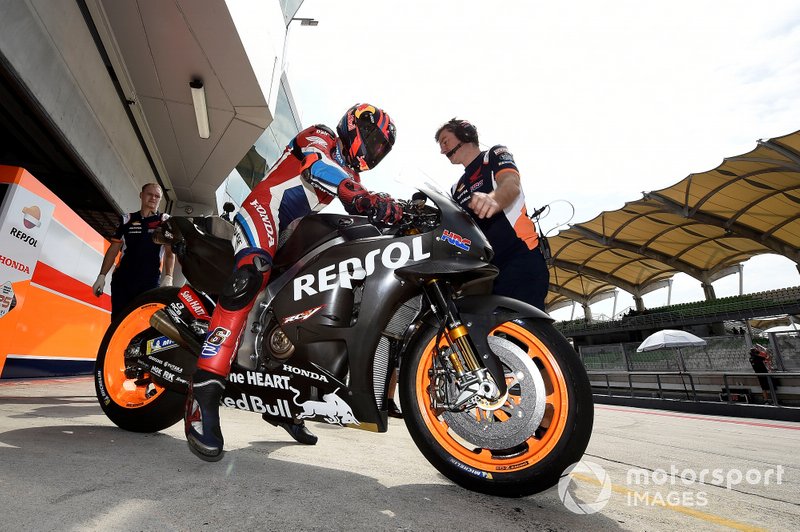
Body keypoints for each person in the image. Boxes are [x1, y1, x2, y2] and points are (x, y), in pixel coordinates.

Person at [185, 103, 402, 461]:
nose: (374, 150)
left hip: (291, 233)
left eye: (381, 148)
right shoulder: (321, 136)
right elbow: (318, 168)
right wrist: (362, 196)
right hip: (263, 211)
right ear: (354, 124)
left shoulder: (351, 176)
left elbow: (358, 204)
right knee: (253, 271)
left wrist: (393, 209)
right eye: (373, 140)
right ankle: (205, 387)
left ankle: (285, 401)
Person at [434, 118, 549, 311]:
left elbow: (511, 183)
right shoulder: (456, 188)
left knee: (528, 333)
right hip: (488, 272)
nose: (442, 150)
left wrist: (494, 199)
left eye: (445, 141)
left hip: (521, 258)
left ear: (465, 134)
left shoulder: (495, 154)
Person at [92, 183, 175, 319]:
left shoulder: (164, 221)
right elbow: (113, 250)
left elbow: (170, 252)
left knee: (142, 323)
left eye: (157, 196)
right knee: (118, 320)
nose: (153, 198)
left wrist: (169, 277)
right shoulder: (126, 220)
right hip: (123, 279)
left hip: (149, 281)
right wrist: (101, 276)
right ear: (141, 195)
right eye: (150, 194)